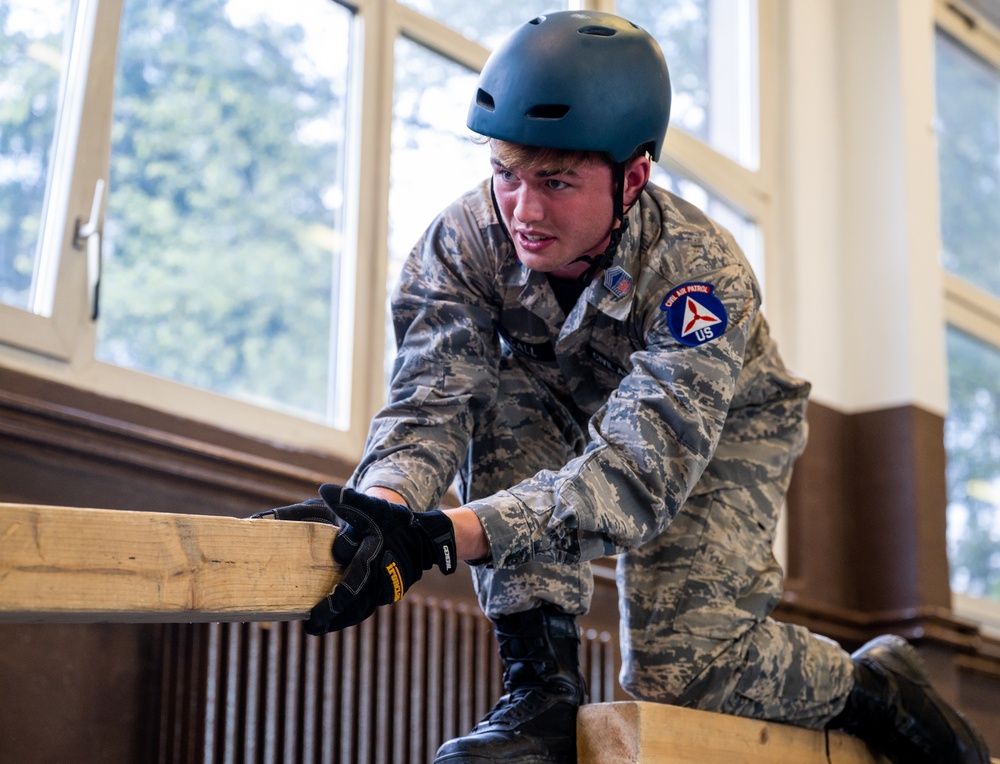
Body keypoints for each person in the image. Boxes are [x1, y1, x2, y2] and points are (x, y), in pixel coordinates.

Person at [258, 10, 991, 764]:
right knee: (508, 392)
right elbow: (431, 400)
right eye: (505, 175)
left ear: (632, 176)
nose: (524, 210)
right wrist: (384, 508)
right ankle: (540, 694)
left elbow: (639, 474)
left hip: (719, 428)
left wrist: (444, 536)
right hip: (556, 401)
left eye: (557, 182)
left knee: (683, 673)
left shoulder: (700, 274)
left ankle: (876, 686)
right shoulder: (463, 242)